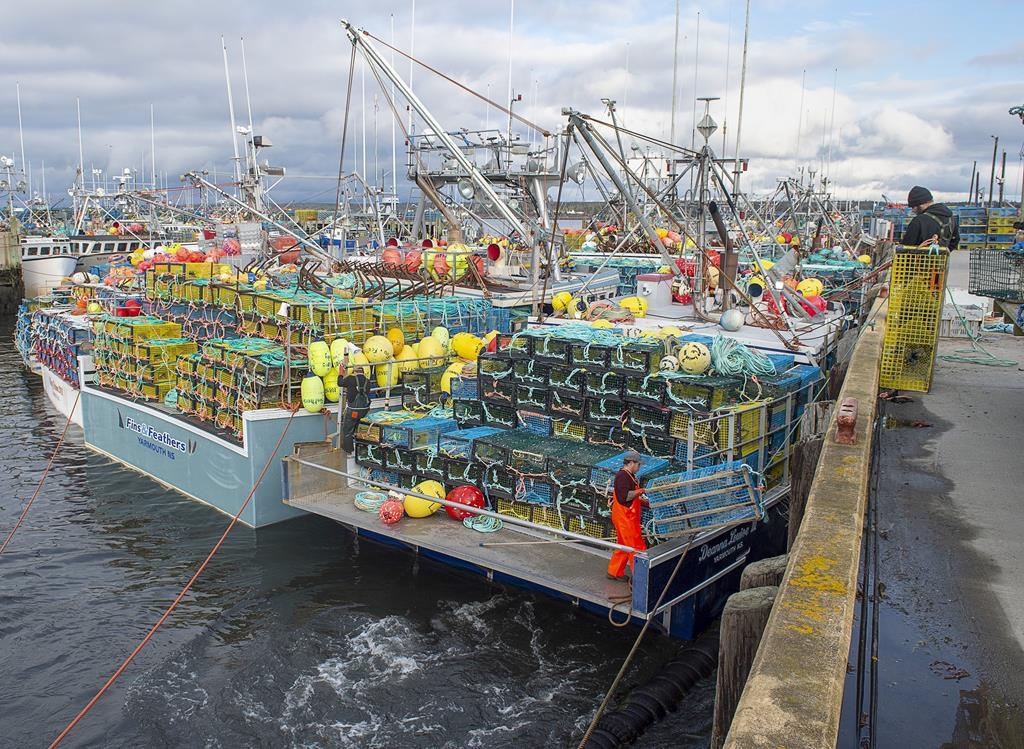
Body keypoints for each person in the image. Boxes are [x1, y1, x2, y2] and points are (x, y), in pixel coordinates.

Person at [607, 451, 649, 581]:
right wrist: (641, 491)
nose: (639, 467)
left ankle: (614, 572)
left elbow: (632, 498)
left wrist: (645, 503)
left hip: (626, 517)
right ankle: (640, 578)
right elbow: (624, 497)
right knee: (636, 547)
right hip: (625, 518)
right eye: (638, 464)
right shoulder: (622, 476)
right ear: (631, 463)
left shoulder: (629, 476)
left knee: (623, 546)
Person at [901, 186, 960, 250]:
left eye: (913, 207)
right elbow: (955, 241)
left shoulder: (918, 221)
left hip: (919, 259)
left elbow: (905, 247)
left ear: (921, 203)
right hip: (941, 259)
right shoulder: (950, 217)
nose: (913, 210)